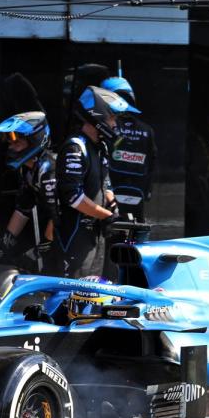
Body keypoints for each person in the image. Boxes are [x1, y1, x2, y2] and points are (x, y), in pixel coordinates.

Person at [56, 86, 132, 278]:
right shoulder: (75, 147)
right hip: (75, 233)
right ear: (96, 117)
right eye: (112, 118)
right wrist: (107, 216)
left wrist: (115, 212)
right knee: (75, 292)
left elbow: (105, 183)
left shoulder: (101, 146)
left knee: (95, 290)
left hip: (96, 232)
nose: (115, 124)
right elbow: (72, 196)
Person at [0, 111, 57, 273]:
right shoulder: (28, 170)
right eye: (8, 142)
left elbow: (58, 214)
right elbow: (23, 208)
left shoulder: (48, 168)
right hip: (55, 232)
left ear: (34, 139)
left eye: (16, 141)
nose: (10, 146)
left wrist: (42, 249)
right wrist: (4, 244)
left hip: (73, 234)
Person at [101, 75, 157, 222]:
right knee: (136, 233)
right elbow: (152, 163)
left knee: (112, 233)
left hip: (110, 194)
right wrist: (148, 190)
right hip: (137, 193)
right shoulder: (147, 130)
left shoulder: (106, 127)